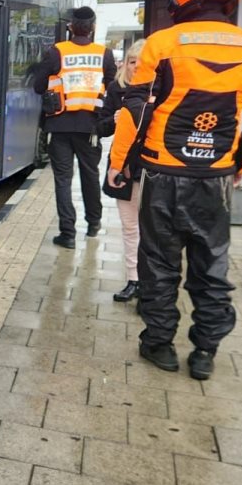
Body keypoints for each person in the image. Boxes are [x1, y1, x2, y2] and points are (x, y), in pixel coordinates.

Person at [108, 0, 242, 380]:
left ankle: (159, 344)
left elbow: (137, 110)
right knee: (211, 266)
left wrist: (124, 165)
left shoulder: (163, 45)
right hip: (214, 179)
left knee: (159, 264)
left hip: (163, 174)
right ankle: (205, 352)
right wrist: (237, 165)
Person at [34, 6, 117, 249]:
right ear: (92, 28)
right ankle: (93, 223)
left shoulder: (57, 51)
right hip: (91, 127)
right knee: (90, 175)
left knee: (63, 179)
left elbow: (39, 86)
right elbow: (112, 91)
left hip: (59, 125)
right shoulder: (105, 54)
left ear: (71, 27)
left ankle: (67, 234)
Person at [97, 39, 146, 303]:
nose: (136, 66)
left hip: (152, 168)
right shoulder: (116, 89)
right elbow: (100, 126)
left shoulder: (162, 89)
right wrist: (115, 121)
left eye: (141, 61)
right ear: (125, 63)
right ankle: (133, 280)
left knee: (152, 228)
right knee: (130, 228)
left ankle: (151, 282)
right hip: (124, 166)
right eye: (131, 61)